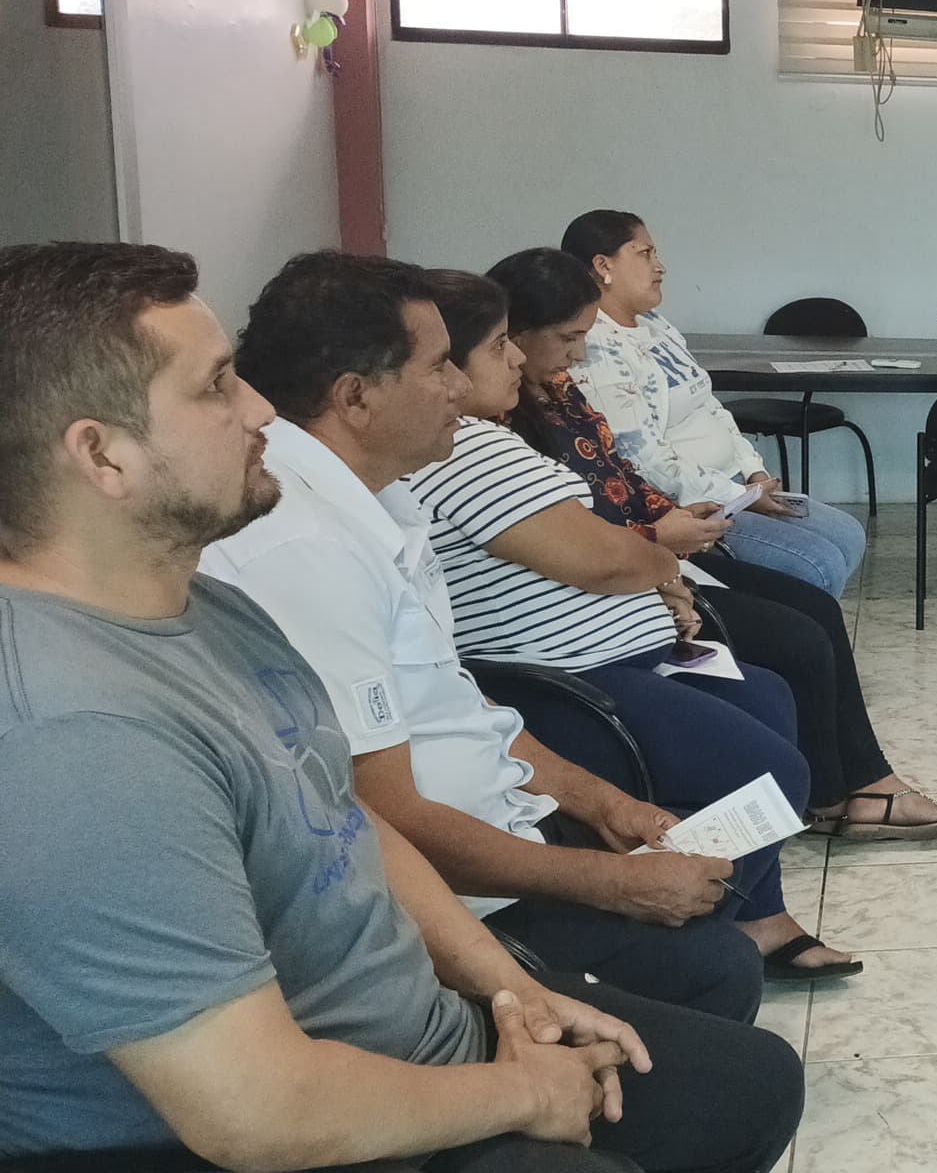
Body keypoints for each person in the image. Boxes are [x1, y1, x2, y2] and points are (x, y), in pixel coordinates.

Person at [0, 240, 799, 1172]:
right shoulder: (74, 742)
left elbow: (346, 814)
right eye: (216, 386)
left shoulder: (205, 607)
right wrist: (525, 1092)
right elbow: (256, 1113)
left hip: (412, 1024)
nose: (260, 409)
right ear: (101, 455)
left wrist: (512, 992)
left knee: (749, 1084)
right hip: (315, 1117)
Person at [197, 252, 815, 1022]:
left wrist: (603, 804)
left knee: (715, 842)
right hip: (457, 887)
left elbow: (452, 699)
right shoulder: (304, 546)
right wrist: (606, 882)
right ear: (355, 397)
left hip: (504, 810)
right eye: (439, 367)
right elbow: (374, 813)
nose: (461, 387)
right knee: (718, 973)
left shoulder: (379, 498)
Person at [405, 271, 859, 980]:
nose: (518, 358)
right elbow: (607, 558)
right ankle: (685, 925)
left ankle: (755, 914)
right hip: (569, 676)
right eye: (498, 346)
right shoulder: (467, 452)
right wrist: (661, 569)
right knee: (772, 766)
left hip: (624, 647)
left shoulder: (496, 433)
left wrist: (661, 580)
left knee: (769, 693)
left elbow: (609, 532)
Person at [488, 248, 937, 841]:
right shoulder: (499, 429)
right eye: (568, 338)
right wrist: (663, 546)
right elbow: (583, 534)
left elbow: (620, 473)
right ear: (515, 333)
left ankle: (868, 783)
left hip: (663, 549)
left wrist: (675, 516)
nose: (579, 353)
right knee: (798, 635)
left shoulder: (561, 387)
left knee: (817, 609)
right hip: (633, 577)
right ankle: (831, 798)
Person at [563, 209, 867, 598]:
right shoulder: (596, 348)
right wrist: (736, 497)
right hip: (691, 503)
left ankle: (805, 619)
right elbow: (642, 459)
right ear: (604, 265)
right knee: (818, 564)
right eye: (645, 254)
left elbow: (710, 406)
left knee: (848, 533)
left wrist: (754, 472)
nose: (660, 266)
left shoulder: (655, 325)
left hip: (734, 485)